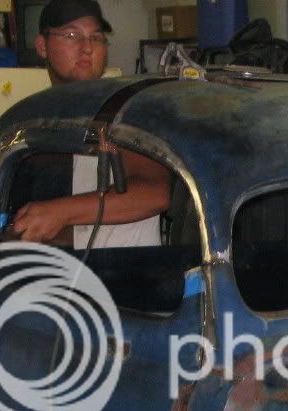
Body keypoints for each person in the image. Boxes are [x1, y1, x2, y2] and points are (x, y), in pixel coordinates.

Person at [10, 0, 171, 246]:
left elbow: (155, 193)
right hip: (62, 276)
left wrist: (60, 212)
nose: (87, 48)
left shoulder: (125, 109)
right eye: (72, 35)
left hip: (129, 275)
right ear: (42, 46)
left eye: (96, 38)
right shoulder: (36, 120)